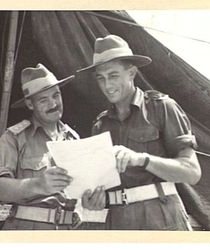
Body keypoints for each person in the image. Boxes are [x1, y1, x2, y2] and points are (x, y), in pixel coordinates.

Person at [78, 34, 201, 230]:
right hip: (117, 221)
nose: (107, 86)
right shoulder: (100, 125)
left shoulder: (162, 108)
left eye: (113, 75)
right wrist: (94, 200)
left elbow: (192, 173)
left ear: (132, 73)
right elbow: (100, 186)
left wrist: (142, 159)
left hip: (160, 217)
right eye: (101, 78)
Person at [0, 63, 80, 230]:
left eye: (56, 95)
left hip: (67, 233)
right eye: (43, 100)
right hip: (27, 231)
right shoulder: (14, 138)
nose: (53, 104)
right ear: (30, 104)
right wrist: (38, 185)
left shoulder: (74, 139)